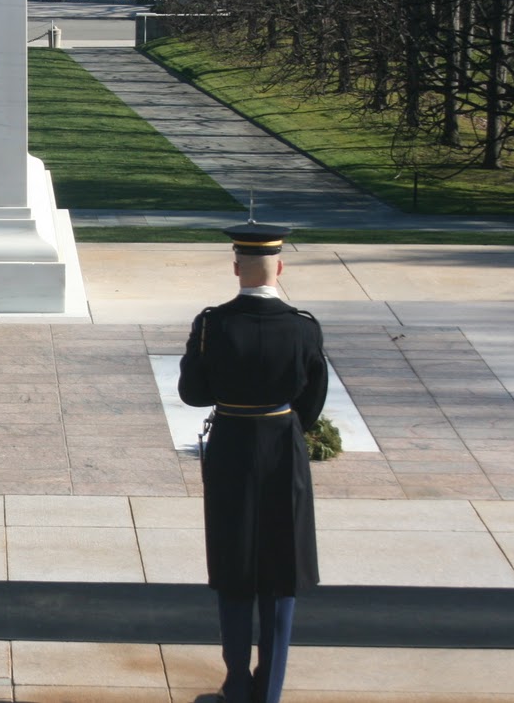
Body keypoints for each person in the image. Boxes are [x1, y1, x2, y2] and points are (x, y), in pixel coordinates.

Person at [179, 222, 328, 703]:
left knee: (235, 568)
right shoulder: (304, 327)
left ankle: (236, 686)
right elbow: (312, 402)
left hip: (232, 449)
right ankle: (271, 690)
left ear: (236, 268)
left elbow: (193, 394)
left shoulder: (212, 325)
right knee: (281, 574)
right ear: (279, 268)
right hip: (283, 449)